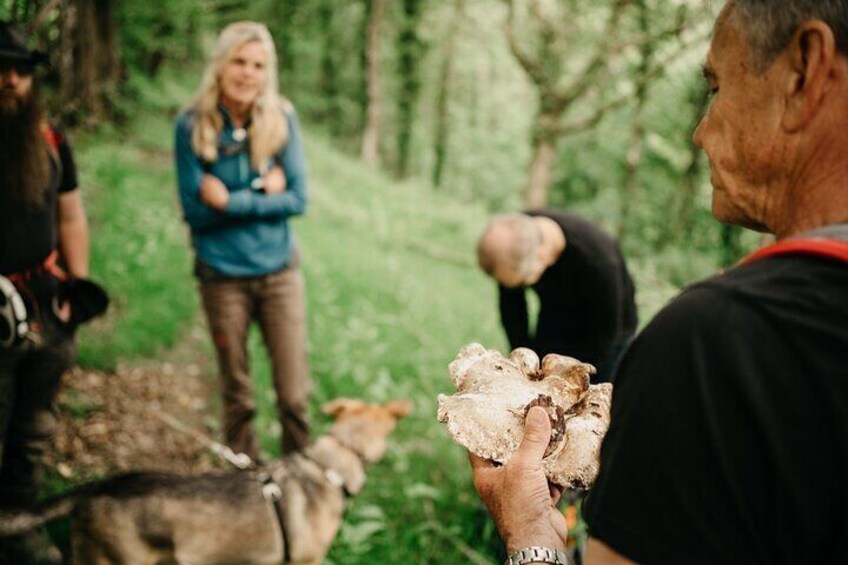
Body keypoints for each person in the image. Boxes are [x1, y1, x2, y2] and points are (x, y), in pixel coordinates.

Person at [471, 1, 848, 563]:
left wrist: (528, 536)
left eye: (716, 87)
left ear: (805, 72)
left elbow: (609, 335)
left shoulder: (710, 344)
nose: (699, 132)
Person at [175, 22, 311, 462]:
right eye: (239, 61)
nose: (248, 73)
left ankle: (298, 484)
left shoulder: (280, 118)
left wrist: (232, 201)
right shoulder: (191, 125)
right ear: (220, 64)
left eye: (258, 65)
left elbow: (297, 198)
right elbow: (195, 213)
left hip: (279, 275)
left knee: (294, 397)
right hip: (222, 278)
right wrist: (261, 190)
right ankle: (245, 486)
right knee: (237, 397)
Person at [0, 21, 89, 563]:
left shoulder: (51, 142)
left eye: (18, 71)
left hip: (47, 305)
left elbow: (72, 215)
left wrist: (77, 288)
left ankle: (16, 524)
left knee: (34, 425)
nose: (8, 81)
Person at [477, 210, 637, 383]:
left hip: (609, 332)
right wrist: (523, 360)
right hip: (554, 312)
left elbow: (605, 338)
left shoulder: (599, 263)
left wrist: (575, 379)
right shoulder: (518, 234)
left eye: (523, 282)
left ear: (541, 257)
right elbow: (512, 308)